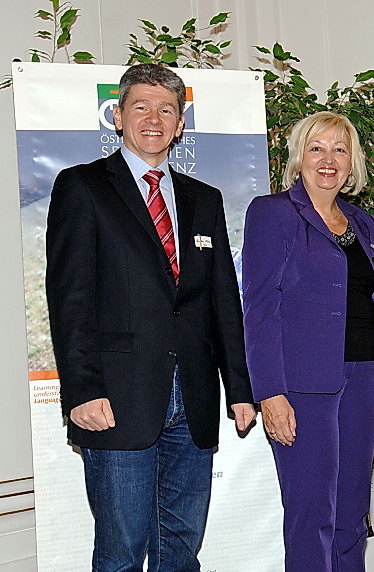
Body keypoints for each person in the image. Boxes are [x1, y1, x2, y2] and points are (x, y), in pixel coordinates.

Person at [46, 63, 256, 571]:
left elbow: (223, 301)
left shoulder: (204, 199)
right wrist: (81, 391)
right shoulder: (82, 187)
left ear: (180, 124)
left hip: (195, 398)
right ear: (118, 117)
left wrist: (241, 389)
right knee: (121, 552)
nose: (154, 119)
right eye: (140, 107)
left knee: (181, 548)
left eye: (166, 109)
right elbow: (70, 300)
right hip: (116, 400)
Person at [242, 111, 374, 572]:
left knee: (352, 518)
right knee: (312, 519)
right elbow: (259, 309)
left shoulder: (363, 223)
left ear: (352, 163)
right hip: (301, 387)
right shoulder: (272, 213)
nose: (328, 159)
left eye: (339, 149)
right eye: (317, 148)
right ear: (299, 157)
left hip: (364, 380)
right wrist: (270, 392)